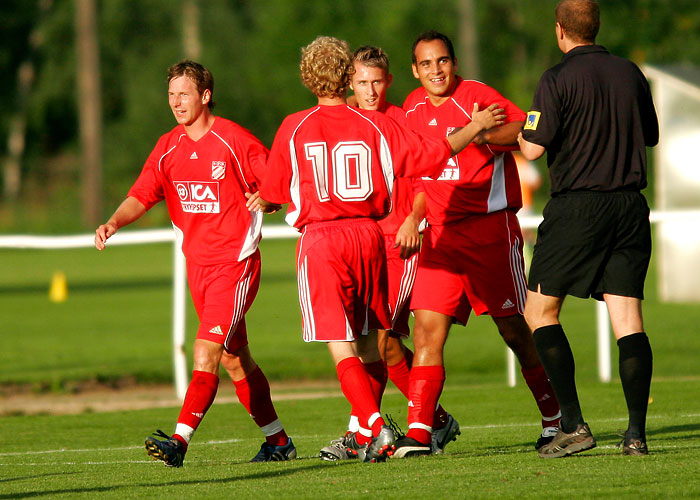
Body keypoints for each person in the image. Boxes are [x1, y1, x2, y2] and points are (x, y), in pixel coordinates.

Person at [250, 36, 505, 462]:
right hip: (369, 236)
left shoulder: (294, 125)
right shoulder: (375, 124)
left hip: (325, 239)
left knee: (339, 342)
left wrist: (270, 194)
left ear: (307, 77)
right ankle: (393, 424)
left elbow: (275, 191)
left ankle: (372, 426)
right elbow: (433, 155)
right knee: (372, 342)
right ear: (348, 76)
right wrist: (475, 128)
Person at [94, 60, 295, 467]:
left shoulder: (233, 140)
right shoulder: (169, 145)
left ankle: (179, 442)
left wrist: (271, 199)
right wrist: (114, 220)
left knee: (205, 352)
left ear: (205, 95)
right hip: (198, 269)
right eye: (171, 94)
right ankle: (278, 442)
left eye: (184, 93)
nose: (176, 102)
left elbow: (280, 177)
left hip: (234, 265)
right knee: (234, 359)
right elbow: (143, 193)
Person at [393, 30, 562, 458]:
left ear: (454, 62)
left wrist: (482, 134)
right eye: (426, 64)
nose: (436, 70)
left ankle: (555, 419)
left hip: (489, 229)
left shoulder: (476, 94)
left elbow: (527, 127)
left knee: (513, 331)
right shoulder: (411, 107)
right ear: (415, 70)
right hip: (441, 235)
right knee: (427, 330)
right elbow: (421, 177)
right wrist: (415, 216)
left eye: (443, 60)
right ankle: (419, 432)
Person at [518, 0, 658, 458]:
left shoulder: (556, 78)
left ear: (560, 31)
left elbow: (534, 149)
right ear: (595, 28)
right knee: (628, 320)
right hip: (630, 208)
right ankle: (636, 434)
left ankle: (574, 426)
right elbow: (650, 134)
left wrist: (515, 132)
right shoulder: (630, 73)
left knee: (539, 311)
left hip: (579, 206)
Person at [318, 46, 459, 462]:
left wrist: (413, 220)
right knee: (379, 345)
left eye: (377, 80)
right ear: (349, 84)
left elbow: (422, 187)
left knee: (379, 341)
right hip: (360, 248)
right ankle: (432, 418)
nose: (370, 89)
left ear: (389, 81)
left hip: (399, 248)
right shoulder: (343, 122)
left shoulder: (399, 123)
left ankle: (362, 432)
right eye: (361, 82)